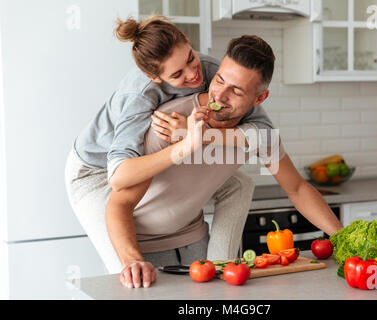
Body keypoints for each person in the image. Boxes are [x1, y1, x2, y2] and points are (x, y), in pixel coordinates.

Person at [107, 35, 343, 289]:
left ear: (259, 99)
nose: (220, 95)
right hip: (140, 237)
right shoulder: (169, 122)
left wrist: (344, 238)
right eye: (219, 80)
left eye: (237, 91)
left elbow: (297, 188)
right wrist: (132, 260)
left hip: (190, 233)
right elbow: (120, 201)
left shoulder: (257, 135)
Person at [64, 16, 274, 274]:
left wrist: (202, 137)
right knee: (126, 272)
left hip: (153, 156)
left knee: (239, 183)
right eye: (177, 74)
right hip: (96, 171)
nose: (193, 74)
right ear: (153, 76)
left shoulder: (211, 71)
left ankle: (223, 268)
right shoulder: (141, 95)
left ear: (188, 42)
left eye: (189, 58)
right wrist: (185, 146)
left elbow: (262, 130)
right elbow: (119, 176)